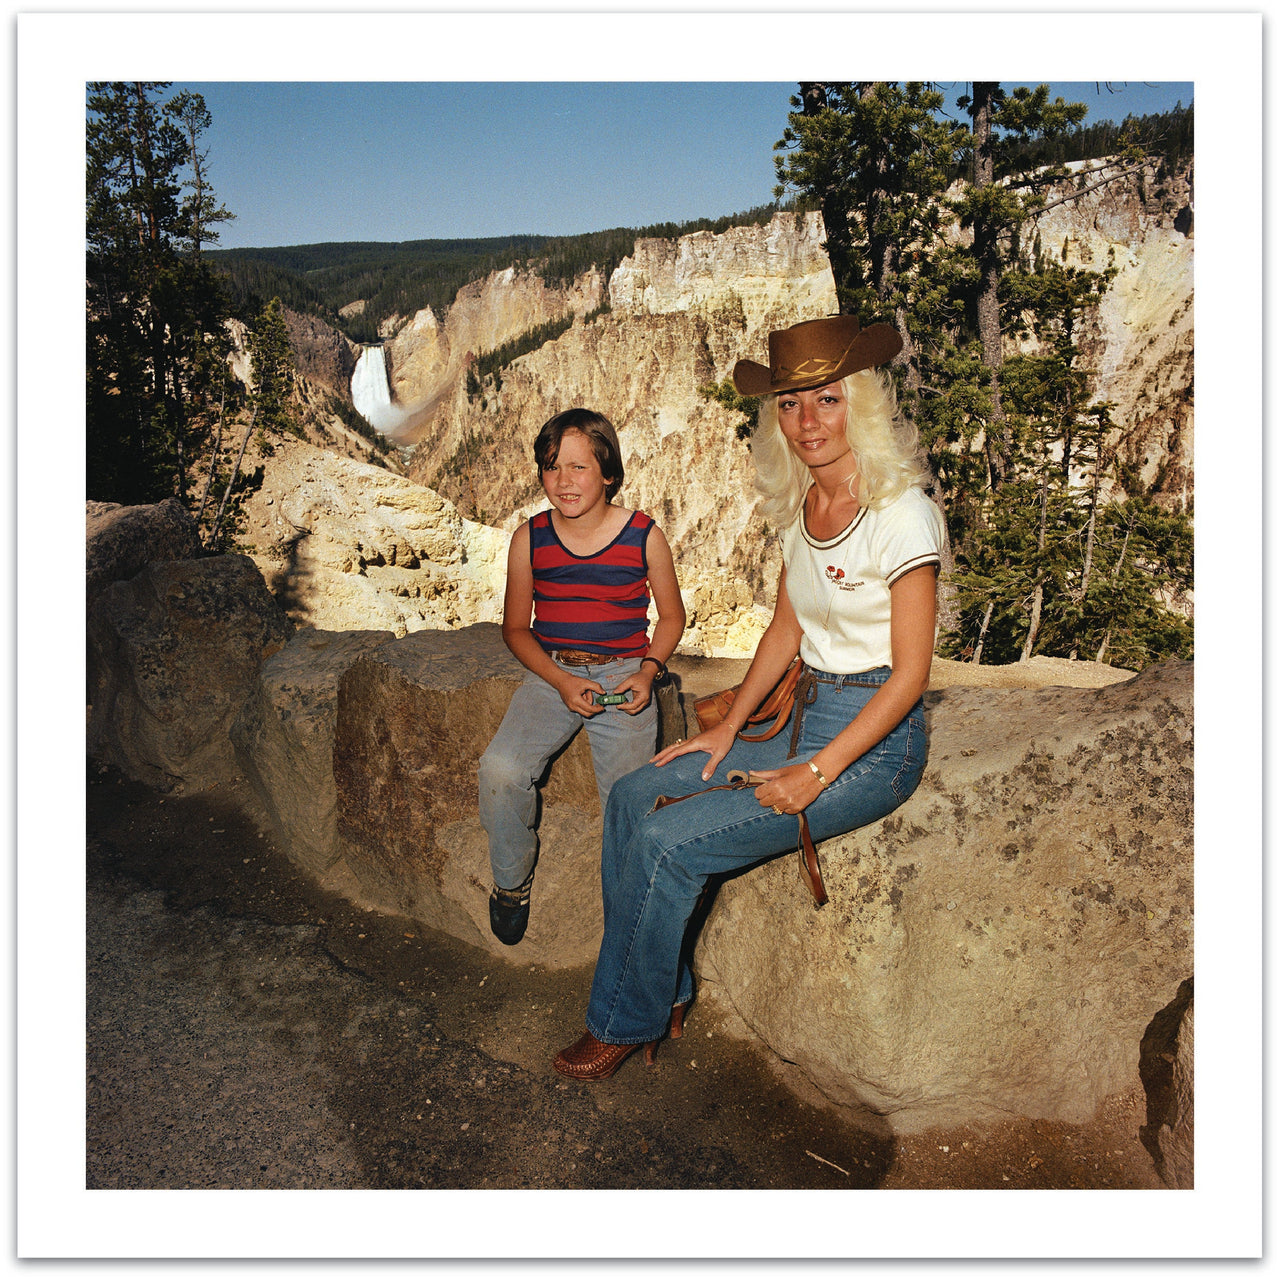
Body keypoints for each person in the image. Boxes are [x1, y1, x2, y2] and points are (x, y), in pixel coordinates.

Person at [553, 314, 945, 1080]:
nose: (808, 423)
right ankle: (660, 987)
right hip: (798, 712)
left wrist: (819, 771)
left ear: (858, 403)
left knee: (670, 844)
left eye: (827, 400)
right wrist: (727, 729)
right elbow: (783, 631)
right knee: (634, 798)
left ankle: (622, 1021)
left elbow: (910, 677)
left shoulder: (902, 512)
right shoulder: (807, 509)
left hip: (873, 746)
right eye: (792, 405)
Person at [479, 408, 686, 945]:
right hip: (554, 672)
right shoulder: (530, 539)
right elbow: (516, 630)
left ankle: (627, 917)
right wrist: (563, 682)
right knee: (501, 768)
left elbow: (672, 616)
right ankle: (510, 880)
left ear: (609, 473)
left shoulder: (644, 536)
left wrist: (648, 670)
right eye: (551, 468)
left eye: (578, 468)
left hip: (624, 677)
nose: (563, 482)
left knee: (626, 803)